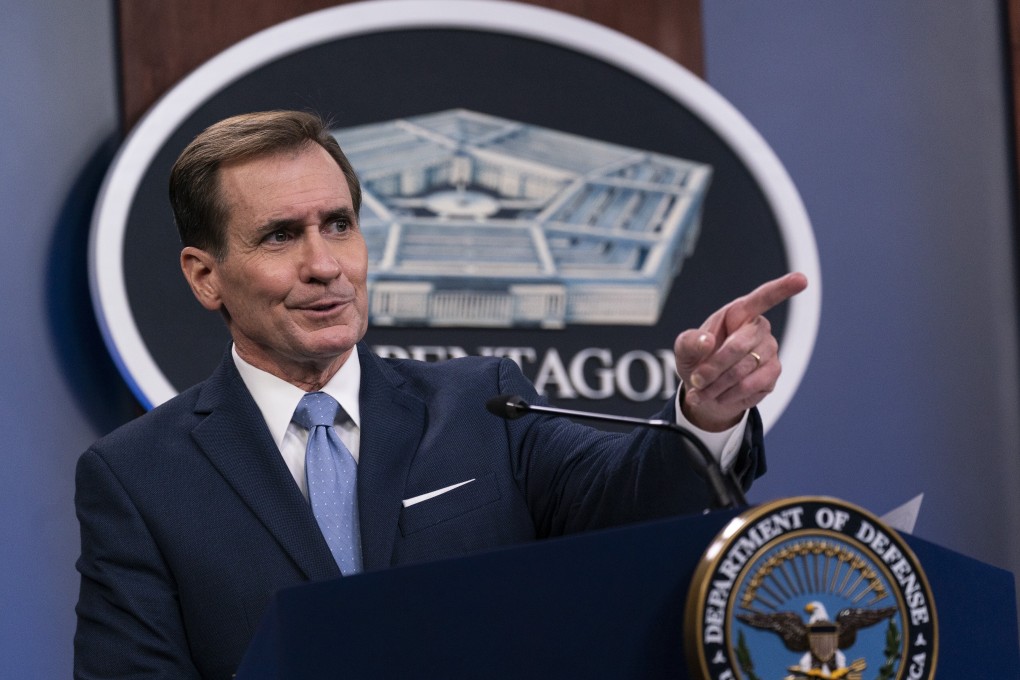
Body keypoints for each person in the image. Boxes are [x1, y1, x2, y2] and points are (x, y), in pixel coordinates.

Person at [74, 110, 808, 679]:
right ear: (205, 276)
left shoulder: (484, 404)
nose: (325, 265)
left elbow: (635, 506)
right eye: (279, 237)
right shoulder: (139, 478)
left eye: (339, 225)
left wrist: (707, 412)